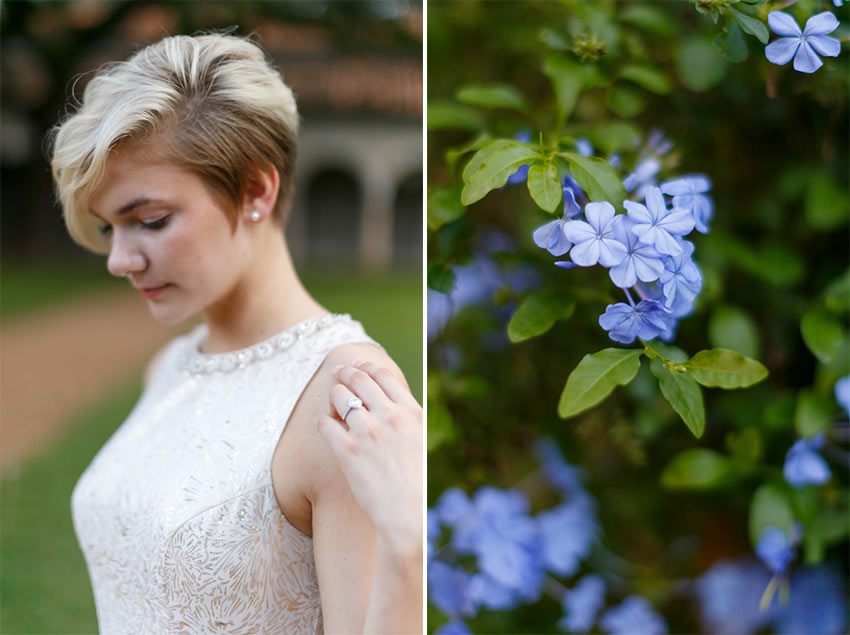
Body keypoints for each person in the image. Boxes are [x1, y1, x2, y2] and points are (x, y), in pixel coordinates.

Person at [49, 33, 422, 634]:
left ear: (256, 189)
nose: (119, 259)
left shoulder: (348, 395)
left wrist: (409, 542)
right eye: (107, 227)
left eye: (149, 221)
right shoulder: (170, 366)